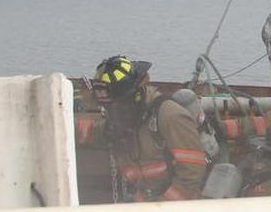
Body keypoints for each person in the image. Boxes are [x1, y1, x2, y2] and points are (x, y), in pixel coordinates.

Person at [78, 55, 209, 201]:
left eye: (117, 105)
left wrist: (161, 210)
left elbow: (192, 174)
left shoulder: (169, 116)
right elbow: (98, 133)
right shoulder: (127, 118)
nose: (113, 112)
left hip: (177, 211)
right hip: (143, 205)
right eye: (109, 107)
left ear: (134, 97)